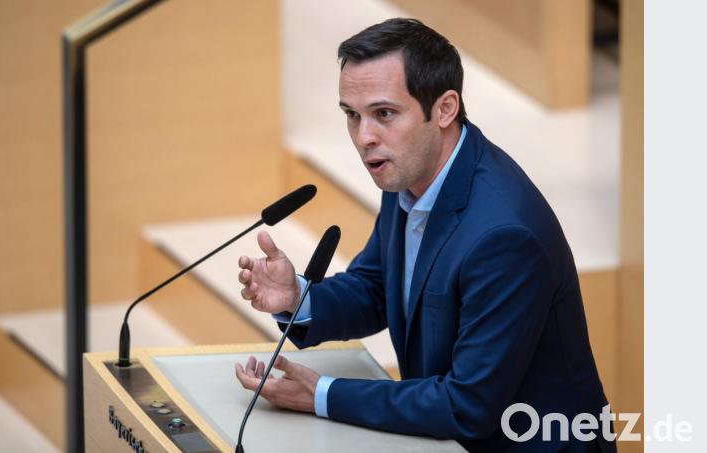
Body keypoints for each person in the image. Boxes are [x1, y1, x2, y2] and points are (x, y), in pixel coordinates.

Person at [234, 18, 614, 452]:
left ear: (445, 108)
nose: (364, 138)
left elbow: (465, 405)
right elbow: (378, 288)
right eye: (352, 116)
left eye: (384, 114)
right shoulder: (408, 173)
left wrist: (322, 395)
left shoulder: (504, 237)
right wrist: (297, 298)